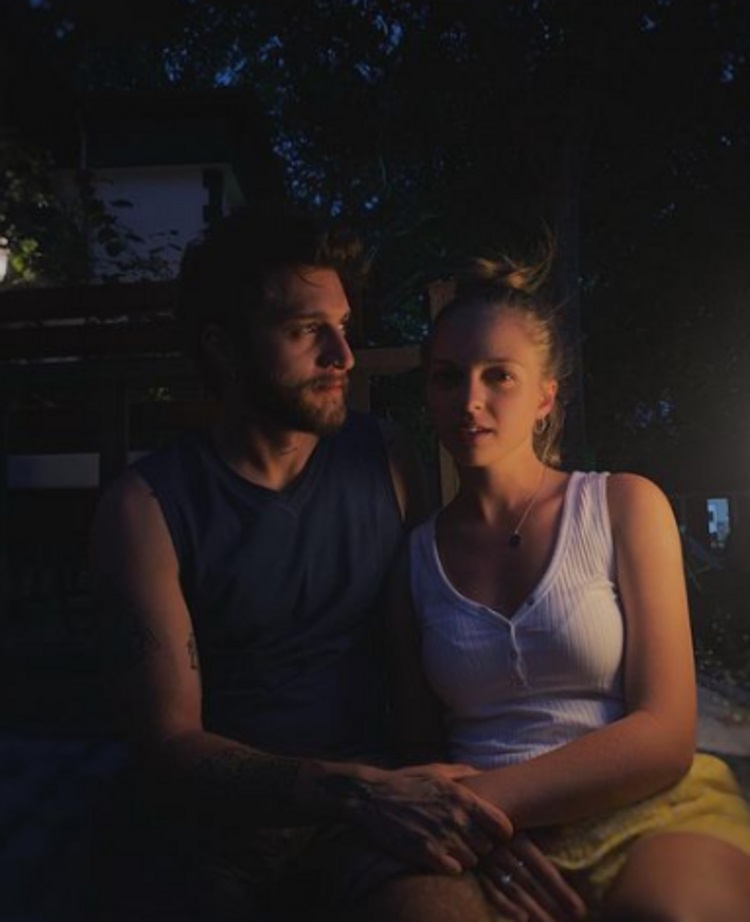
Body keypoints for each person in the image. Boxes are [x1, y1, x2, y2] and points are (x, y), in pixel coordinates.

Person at [89, 208, 583, 922]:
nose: (343, 356)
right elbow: (168, 742)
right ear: (224, 348)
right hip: (218, 830)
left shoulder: (383, 459)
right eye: (305, 331)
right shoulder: (146, 507)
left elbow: (422, 656)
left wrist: (470, 818)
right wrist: (357, 790)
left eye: (344, 327)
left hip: (376, 820)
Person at [387, 254, 750, 920]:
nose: (469, 401)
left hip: (641, 806)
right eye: (448, 377)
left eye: (499, 375)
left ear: (545, 397)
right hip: (482, 842)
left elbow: (666, 733)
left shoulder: (622, 506)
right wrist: (475, 837)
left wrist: (479, 809)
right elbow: (421, 748)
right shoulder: (413, 557)